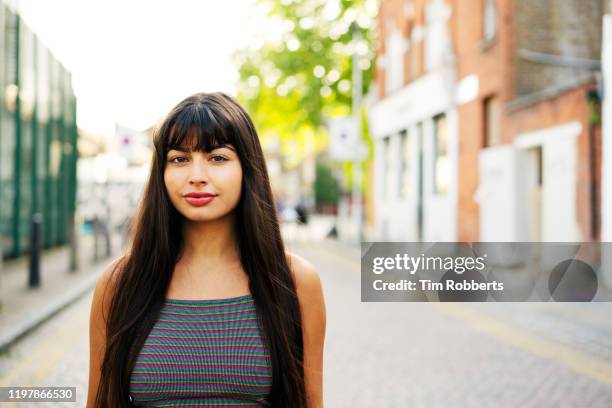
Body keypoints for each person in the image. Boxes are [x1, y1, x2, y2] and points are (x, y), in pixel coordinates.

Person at [87, 92, 326, 407]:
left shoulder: (294, 281)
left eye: (217, 157)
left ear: (247, 168)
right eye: (179, 159)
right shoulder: (120, 283)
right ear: (161, 172)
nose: (197, 177)